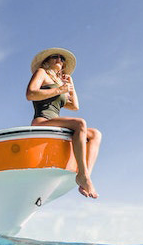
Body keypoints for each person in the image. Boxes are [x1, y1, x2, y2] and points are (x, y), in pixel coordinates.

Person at [26, 48, 102, 198]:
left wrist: (70, 86)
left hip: (56, 122)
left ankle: (84, 176)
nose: (60, 60)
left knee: (95, 134)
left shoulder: (60, 83)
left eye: (62, 59)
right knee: (80, 123)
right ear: (46, 61)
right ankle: (83, 175)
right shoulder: (42, 72)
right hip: (42, 121)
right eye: (56, 57)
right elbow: (30, 94)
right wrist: (60, 89)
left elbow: (74, 106)